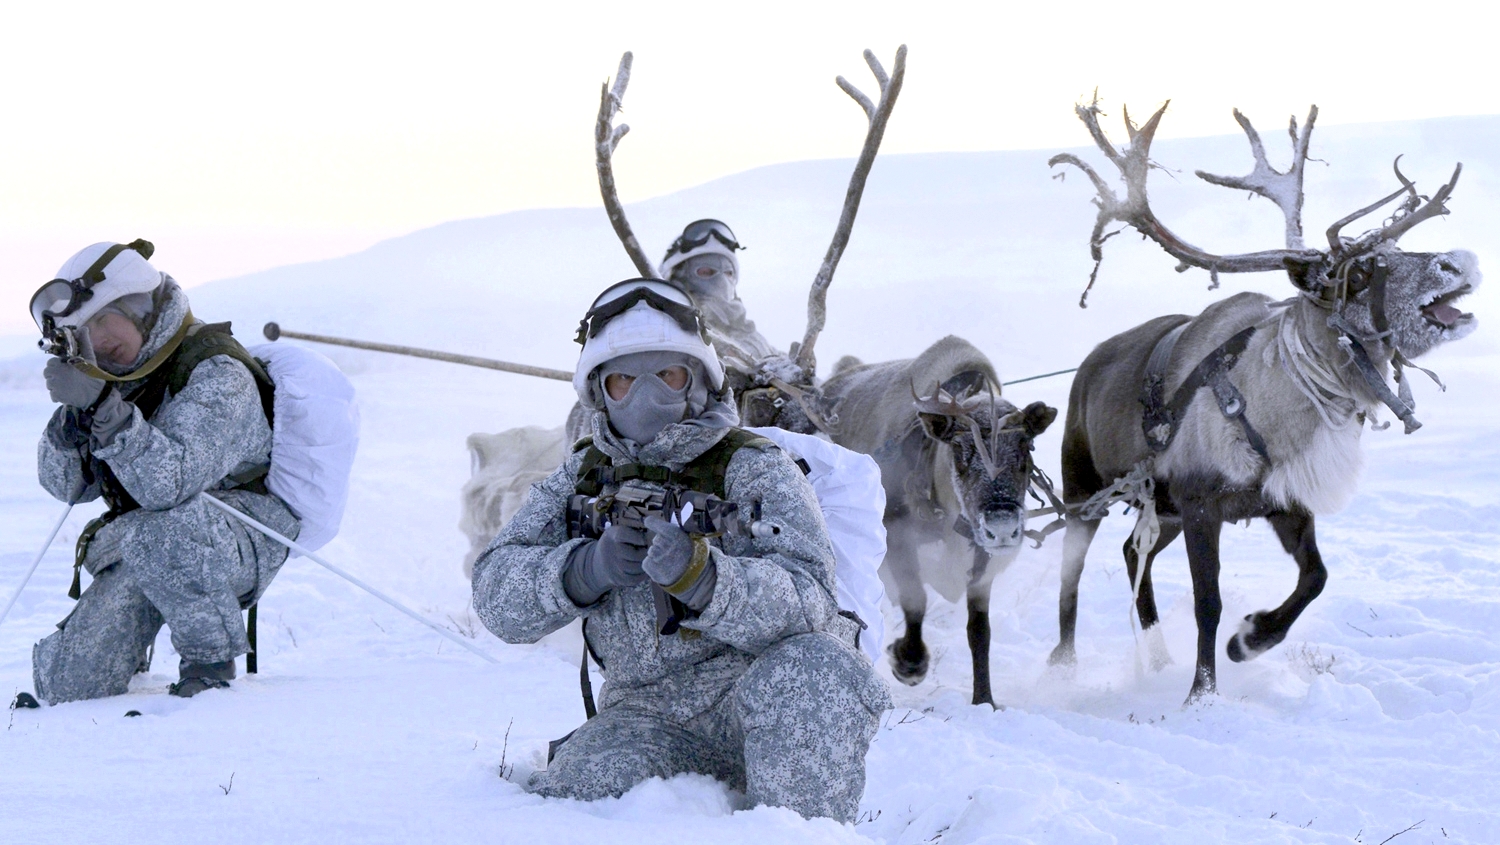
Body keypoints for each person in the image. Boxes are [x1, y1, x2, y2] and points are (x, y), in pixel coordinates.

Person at [472, 278, 890, 822]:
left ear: (698, 381)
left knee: (820, 668)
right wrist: (585, 570)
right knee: (568, 807)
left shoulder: (754, 466)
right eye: (625, 379)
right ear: (599, 390)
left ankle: (795, 831)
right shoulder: (580, 476)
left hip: (764, 694)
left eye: (667, 375)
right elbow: (495, 596)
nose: (647, 397)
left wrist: (706, 579)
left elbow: (812, 600)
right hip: (646, 712)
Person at [19, 240, 297, 705]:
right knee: (70, 686)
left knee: (163, 528)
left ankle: (209, 666)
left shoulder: (217, 372)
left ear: (139, 307)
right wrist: (72, 422)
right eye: (82, 334)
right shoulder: (115, 378)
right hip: (149, 539)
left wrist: (107, 415)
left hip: (240, 535)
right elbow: (63, 486)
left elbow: (168, 485)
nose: (97, 341)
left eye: (102, 321)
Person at [657, 219, 816, 431]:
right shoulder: (672, 331)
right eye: (706, 271)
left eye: (728, 272)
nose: (720, 280)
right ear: (678, 279)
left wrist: (798, 371)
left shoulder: (748, 332)